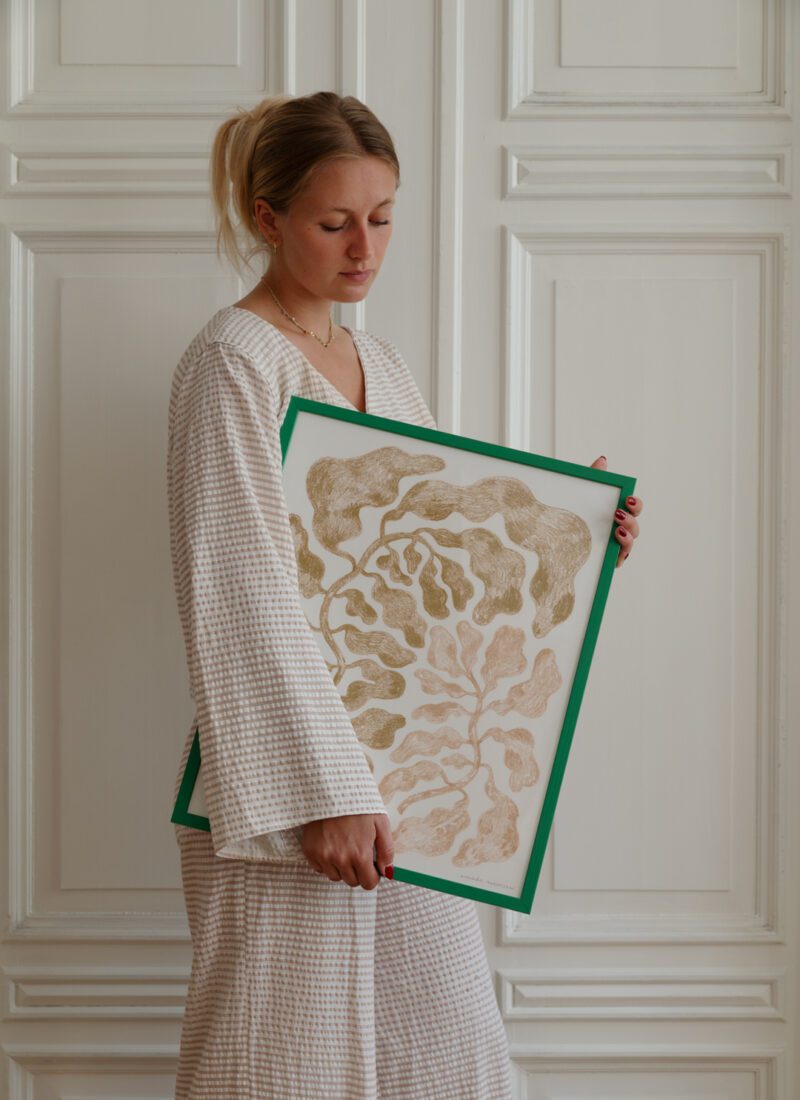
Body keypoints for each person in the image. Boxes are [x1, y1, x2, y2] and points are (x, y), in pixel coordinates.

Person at [167, 90, 642, 1100]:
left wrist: (573, 533)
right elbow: (241, 587)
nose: (364, 249)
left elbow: (429, 563)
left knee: (444, 1048)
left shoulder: (377, 362)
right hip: (293, 789)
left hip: (407, 781)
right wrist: (325, 792)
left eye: (382, 218)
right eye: (334, 222)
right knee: (280, 1060)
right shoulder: (231, 363)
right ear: (267, 218)